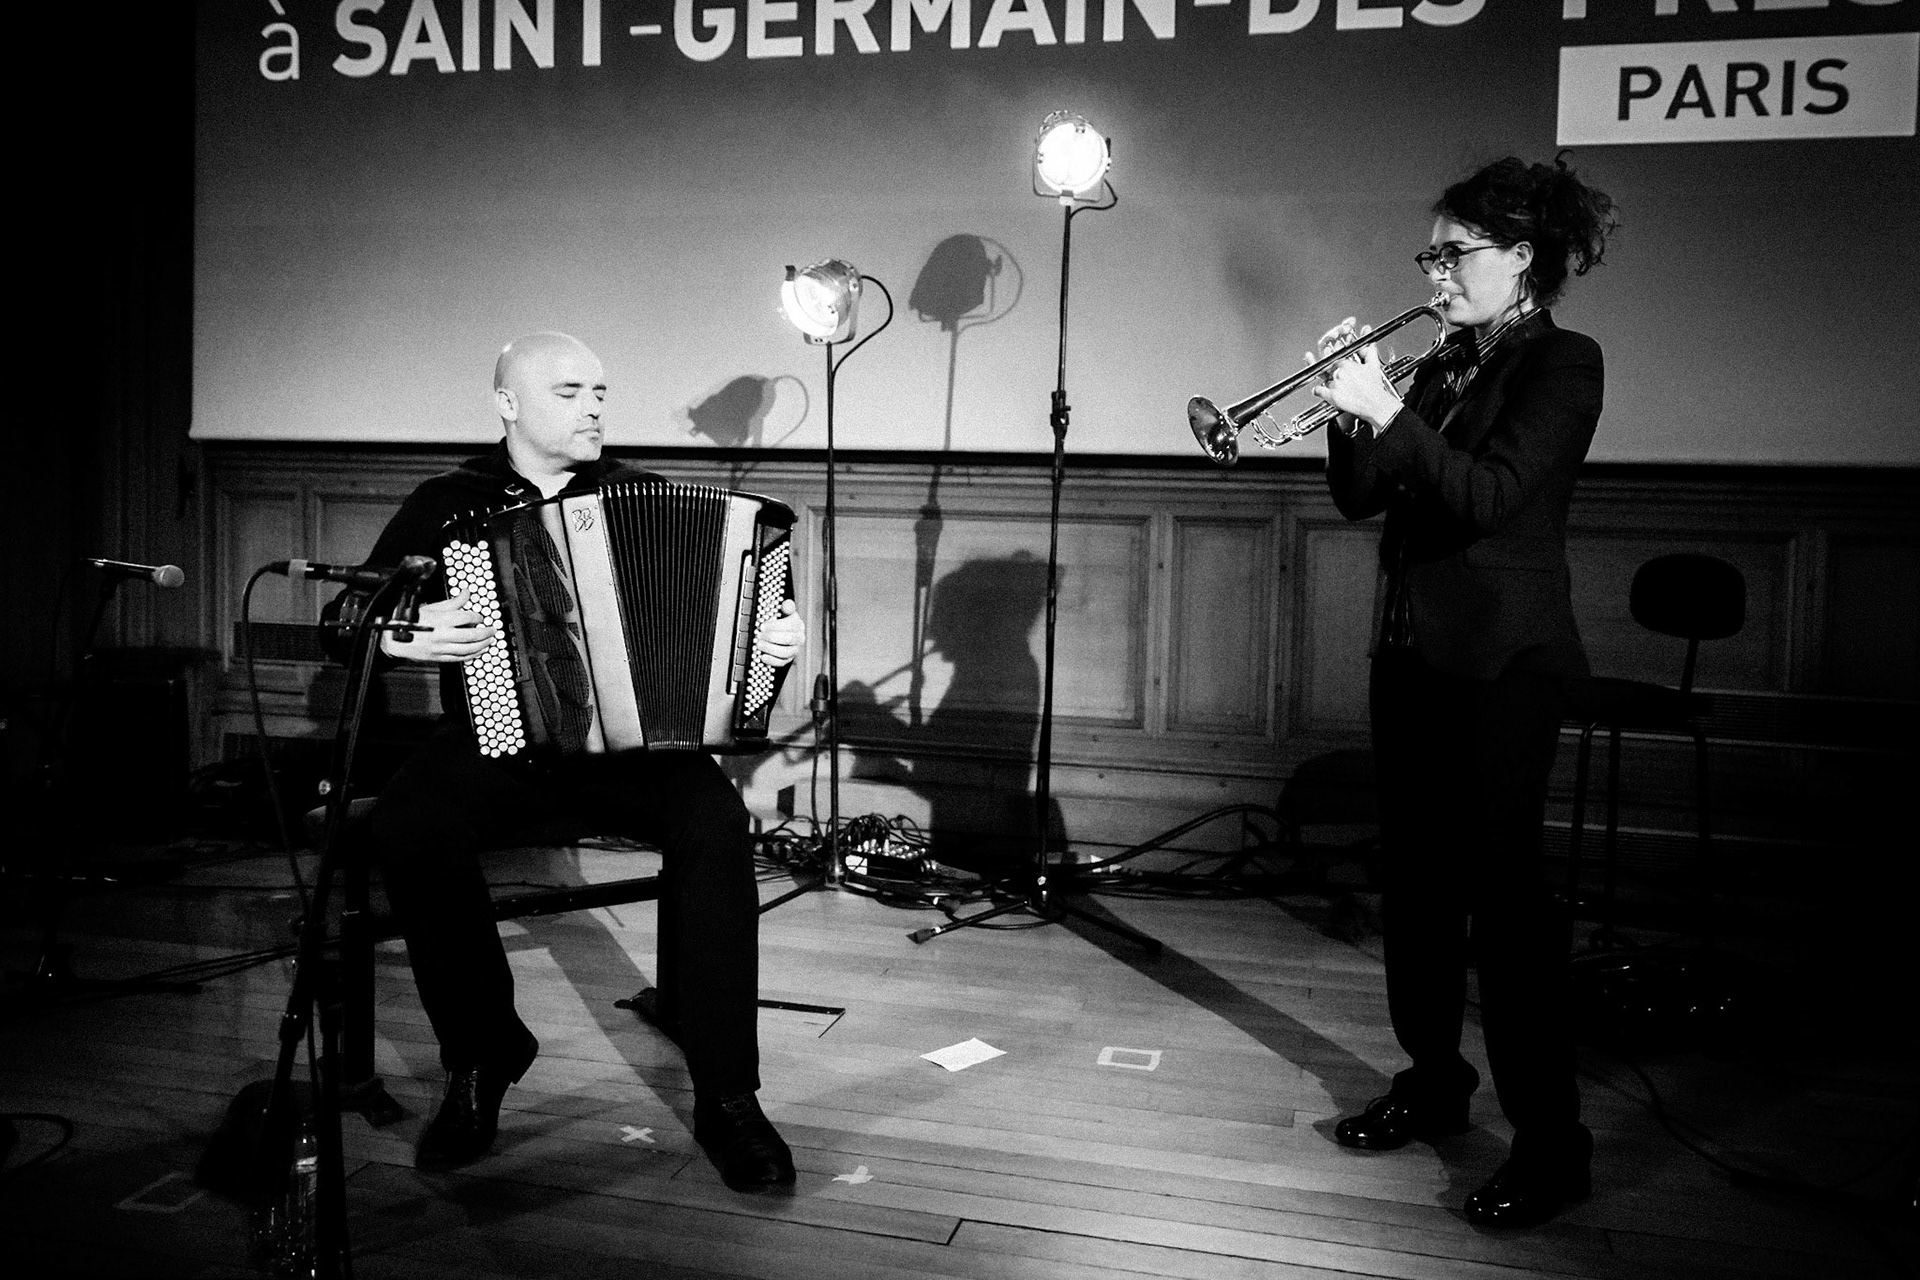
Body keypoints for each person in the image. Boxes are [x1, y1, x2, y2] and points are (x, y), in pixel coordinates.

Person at [322, 331, 806, 1191]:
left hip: (636, 754)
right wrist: (400, 635)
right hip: (499, 743)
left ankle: (728, 1094)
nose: (593, 409)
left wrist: (771, 640)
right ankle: (482, 1057)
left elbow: (741, 622)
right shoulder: (449, 503)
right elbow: (342, 623)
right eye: (570, 392)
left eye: (600, 392)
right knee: (410, 822)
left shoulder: (641, 494)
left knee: (716, 820)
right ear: (508, 403)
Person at [1312, 155, 1618, 1229]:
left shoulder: (1563, 363)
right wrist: (1350, 410)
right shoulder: (1441, 364)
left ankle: (1552, 1142)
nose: (1434, 273)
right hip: (1409, 655)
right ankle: (1434, 1078)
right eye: (1428, 256)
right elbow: (1359, 497)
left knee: (1508, 904)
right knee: (1419, 887)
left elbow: (1489, 497)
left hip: (1504, 667)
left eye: (1454, 254)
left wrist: (1388, 414)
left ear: (1521, 257)